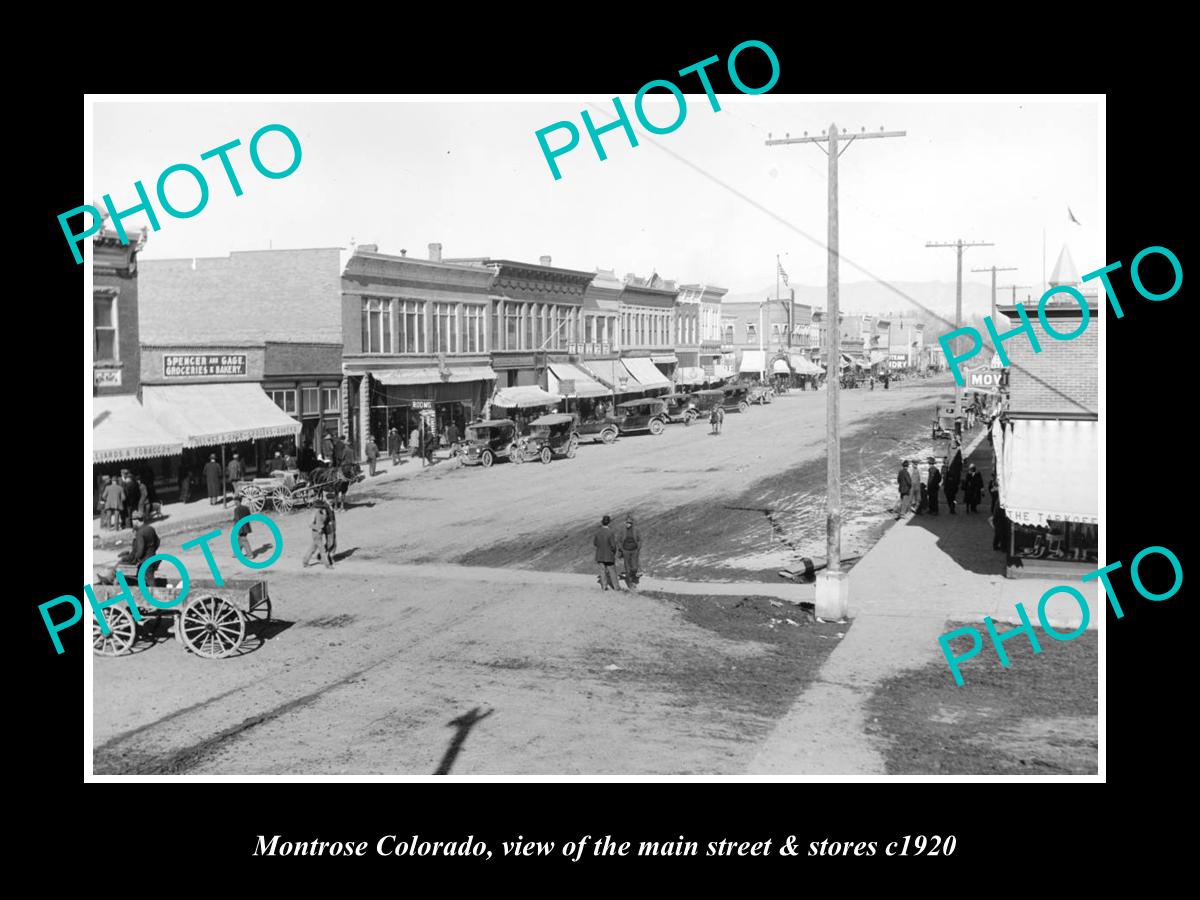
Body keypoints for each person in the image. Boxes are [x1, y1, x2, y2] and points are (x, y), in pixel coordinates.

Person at [303, 502, 334, 568]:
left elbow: (325, 522)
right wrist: (318, 528)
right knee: (322, 549)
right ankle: (327, 565)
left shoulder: (323, 512)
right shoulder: (315, 514)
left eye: (322, 507)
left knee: (312, 548)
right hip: (316, 533)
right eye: (319, 507)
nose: (321, 508)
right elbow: (310, 524)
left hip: (320, 533)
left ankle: (305, 562)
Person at [593, 514, 620, 591]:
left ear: (602, 522)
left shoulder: (598, 532)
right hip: (609, 555)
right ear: (609, 522)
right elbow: (613, 546)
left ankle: (604, 586)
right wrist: (613, 552)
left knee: (602, 571)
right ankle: (616, 587)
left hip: (600, 555)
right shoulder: (610, 532)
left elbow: (595, 543)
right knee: (612, 571)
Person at [618, 514, 642, 589]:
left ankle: (634, 578)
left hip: (634, 550)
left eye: (629, 523)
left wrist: (638, 548)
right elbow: (618, 540)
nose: (627, 524)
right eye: (626, 523)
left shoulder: (636, 530)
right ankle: (631, 582)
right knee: (627, 566)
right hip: (626, 550)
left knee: (634, 567)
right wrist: (621, 549)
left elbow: (640, 539)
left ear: (632, 524)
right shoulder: (623, 530)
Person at [944, 447, 962, 514]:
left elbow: (946, 482)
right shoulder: (952, 474)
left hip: (950, 490)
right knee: (951, 499)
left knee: (950, 499)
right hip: (951, 490)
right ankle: (952, 508)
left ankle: (952, 508)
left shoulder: (950, 474)